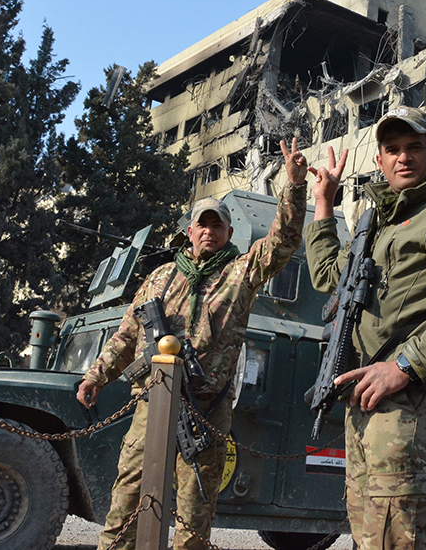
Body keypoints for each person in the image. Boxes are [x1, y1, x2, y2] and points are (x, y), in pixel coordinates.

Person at [77, 139, 310, 550]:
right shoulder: (162, 277)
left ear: (228, 232)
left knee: (195, 508)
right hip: (153, 400)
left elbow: (282, 243)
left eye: (216, 225)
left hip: (206, 408)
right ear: (190, 232)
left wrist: (292, 186)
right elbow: (128, 334)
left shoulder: (240, 273)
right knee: (127, 499)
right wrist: (97, 374)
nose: (208, 230)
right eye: (202, 224)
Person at [304, 106, 426, 550]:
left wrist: (404, 366)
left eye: (414, 147)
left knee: (396, 533)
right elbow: (329, 277)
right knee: (370, 531)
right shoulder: (378, 225)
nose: (403, 158)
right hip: (366, 393)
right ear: (379, 161)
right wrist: (324, 204)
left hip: (411, 396)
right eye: (392, 149)